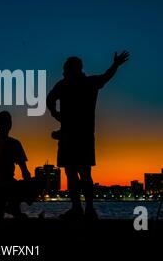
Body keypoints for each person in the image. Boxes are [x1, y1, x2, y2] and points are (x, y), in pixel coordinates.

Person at [46, 51, 129, 221]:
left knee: (74, 173)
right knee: (83, 174)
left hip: (71, 136)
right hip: (82, 136)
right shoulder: (88, 83)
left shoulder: (65, 84)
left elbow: (49, 99)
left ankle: (80, 208)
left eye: (65, 69)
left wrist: (55, 113)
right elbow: (106, 76)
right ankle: (86, 208)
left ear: (71, 69)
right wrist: (115, 65)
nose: (63, 72)